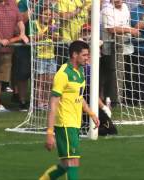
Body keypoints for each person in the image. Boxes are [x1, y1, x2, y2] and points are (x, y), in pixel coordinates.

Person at [39, 41, 100, 180]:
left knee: (65, 164)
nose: (87, 58)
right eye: (84, 55)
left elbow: (79, 96)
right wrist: (49, 132)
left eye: (88, 55)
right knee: (73, 162)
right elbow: (53, 104)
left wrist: (91, 113)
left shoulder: (80, 71)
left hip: (74, 122)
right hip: (65, 124)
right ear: (74, 54)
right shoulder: (63, 74)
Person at [0, 0, 29, 113]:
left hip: (7, 47)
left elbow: (20, 20)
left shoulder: (12, 3)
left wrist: (22, 33)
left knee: (0, 77)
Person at [101, 0, 139, 105]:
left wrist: (132, 30)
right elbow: (111, 29)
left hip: (127, 47)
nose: (118, 1)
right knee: (113, 76)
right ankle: (113, 101)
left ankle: (126, 100)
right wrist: (130, 30)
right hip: (111, 49)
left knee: (127, 75)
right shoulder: (106, 9)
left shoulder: (126, 7)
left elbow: (127, 24)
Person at [29, 6, 59, 109]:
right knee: (40, 82)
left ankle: (46, 102)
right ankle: (38, 103)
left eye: (50, 14)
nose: (48, 16)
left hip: (51, 56)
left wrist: (52, 34)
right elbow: (32, 38)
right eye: (45, 14)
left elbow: (57, 38)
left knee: (50, 81)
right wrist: (47, 33)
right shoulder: (33, 23)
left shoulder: (53, 24)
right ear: (40, 14)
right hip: (39, 56)